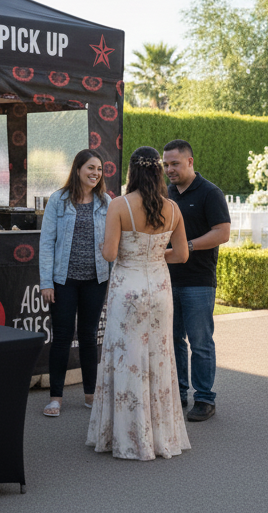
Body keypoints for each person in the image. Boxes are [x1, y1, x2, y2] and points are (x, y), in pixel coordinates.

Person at [87, 146, 191, 460]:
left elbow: (108, 253)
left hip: (127, 288)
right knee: (158, 358)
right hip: (159, 288)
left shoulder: (119, 204)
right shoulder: (172, 208)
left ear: (131, 171)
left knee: (126, 357)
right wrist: (156, 255)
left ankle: (126, 436)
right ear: (159, 172)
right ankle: (160, 436)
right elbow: (183, 255)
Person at [38, 149, 111, 418]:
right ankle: (55, 397)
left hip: (96, 279)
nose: (95, 173)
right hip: (63, 281)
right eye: (90, 167)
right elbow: (46, 243)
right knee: (62, 338)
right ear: (78, 168)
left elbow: (114, 243)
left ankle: (91, 395)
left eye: (99, 169)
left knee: (90, 337)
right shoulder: (59, 200)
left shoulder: (106, 202)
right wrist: (47, 282)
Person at [162, 139, 231, 422]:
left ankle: (204, 398)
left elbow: (222, 233)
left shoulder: (210, 193)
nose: (169, 170)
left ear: (190, 162)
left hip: (199, 281)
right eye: (166, 165)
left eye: (175, 164)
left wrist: (186, 246)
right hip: (167, 279)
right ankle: (178, 392)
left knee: (200, 341)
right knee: (173, 340)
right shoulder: (165, 193)